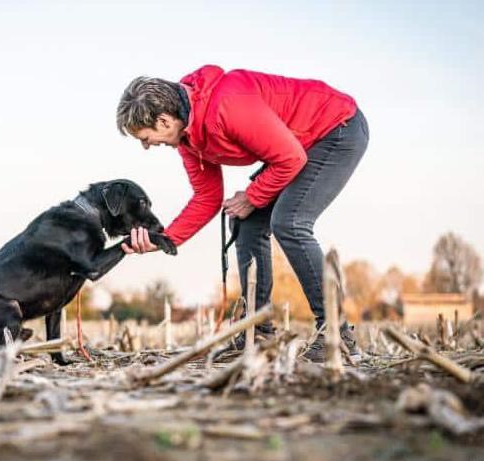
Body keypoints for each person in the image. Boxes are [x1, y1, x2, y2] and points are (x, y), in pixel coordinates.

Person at [115, 65, 369, 362]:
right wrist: (163, 239)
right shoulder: (187, 137)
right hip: (298, 145)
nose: (147, 146)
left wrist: (251, 196)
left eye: (145, 137)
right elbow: (207, 198)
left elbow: (290, 159)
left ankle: (337, 335)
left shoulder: (227, 105)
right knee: (246, 221)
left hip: (337, 128)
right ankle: (257, 333)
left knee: (290, 221)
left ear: (164, 120)